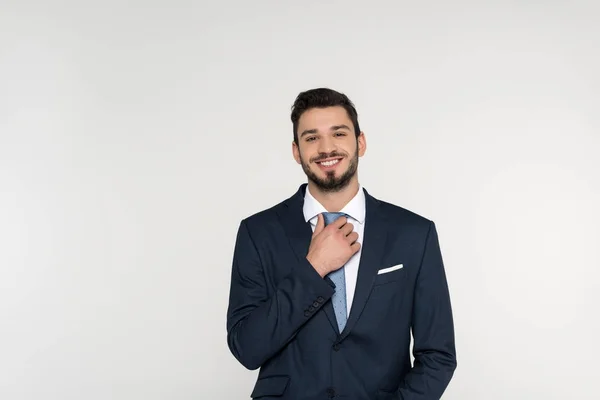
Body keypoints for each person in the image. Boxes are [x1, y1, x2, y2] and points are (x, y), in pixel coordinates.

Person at [226, 88, 457, 400]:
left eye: (338, 133)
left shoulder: (414, 233)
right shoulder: (258, 232)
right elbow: (247, 348)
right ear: (296, 151)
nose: (326, 147)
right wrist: (314, 268)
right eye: (311, 138)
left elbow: (438, 355)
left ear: (360, 143)